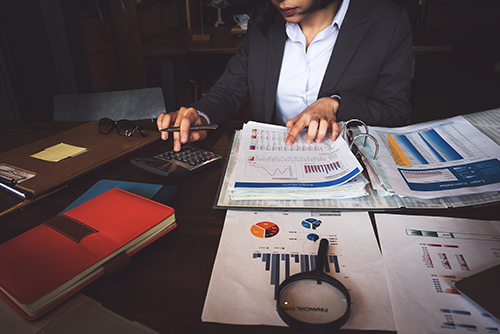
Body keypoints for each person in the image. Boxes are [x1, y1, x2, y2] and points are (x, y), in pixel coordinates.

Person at [157, 0, 412, 151]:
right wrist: (200, 116)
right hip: (275, 162)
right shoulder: (264, 24)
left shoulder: (386, 22)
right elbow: (229, 90)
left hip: (351, 168)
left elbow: (396, 112)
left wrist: (335, 103)